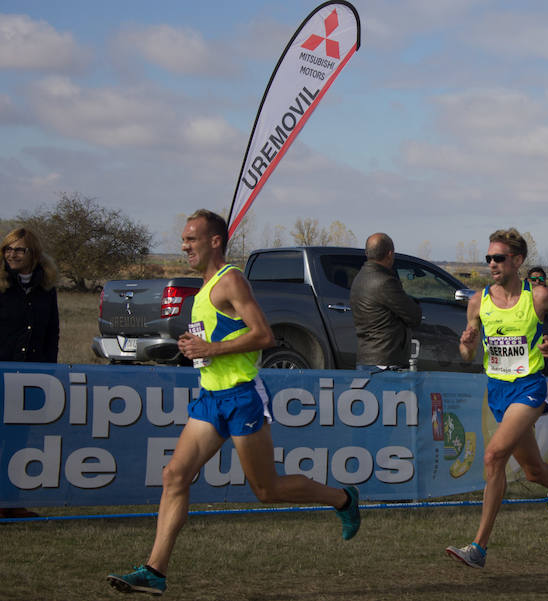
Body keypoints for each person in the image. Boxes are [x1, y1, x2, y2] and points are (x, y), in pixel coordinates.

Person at [108, 210, 360, 596]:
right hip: (211, 396)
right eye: (184, 239)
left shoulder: (231, 281)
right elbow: (213, 340)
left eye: (191, 239)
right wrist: (194, 348)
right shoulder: (204, 287)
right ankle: (155, 571)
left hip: (242, 396)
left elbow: (264, 335)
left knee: (266, 489)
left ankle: (342, 498)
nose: (184, 246)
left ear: (214, 241)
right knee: (175, 476)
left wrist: (211, 347)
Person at [445, 228, 548, 569]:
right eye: (489, 258)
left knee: (494, 456)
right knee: (534, 471)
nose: (492, 264)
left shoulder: (539, 297)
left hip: (529, 387)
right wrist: (467, 342)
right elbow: (467, 355)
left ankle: (478, 548)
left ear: (517, 260)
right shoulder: (478, 301)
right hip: (497, 390)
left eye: (499, 258)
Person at [0, 227, 59, 519]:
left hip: (31, 377)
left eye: (18, 249)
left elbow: (52, 333)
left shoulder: (46, 289)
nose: (11, 254)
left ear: (33, 253)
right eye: (7, 249)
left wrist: (49, 374)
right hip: (2, 375)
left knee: (18, 441)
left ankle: (11, 503)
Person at [349, 232, 422, 370]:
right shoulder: (385, 282)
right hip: (385, 361)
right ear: (390, 254)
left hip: (366, 358)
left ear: (367, 253)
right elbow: (414, 316)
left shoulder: (359, 278)